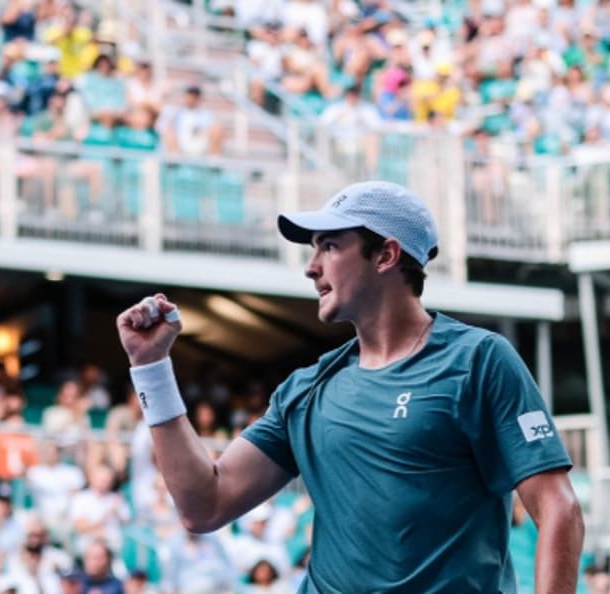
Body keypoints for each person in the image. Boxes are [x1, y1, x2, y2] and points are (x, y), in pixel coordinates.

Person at [116, 180, 584, 592]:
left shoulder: (479, 360)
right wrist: (151, 368)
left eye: (329, 247)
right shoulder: (306, 389)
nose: (311, 267)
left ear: (386, 255)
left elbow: (558, 511)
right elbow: (204, 505)